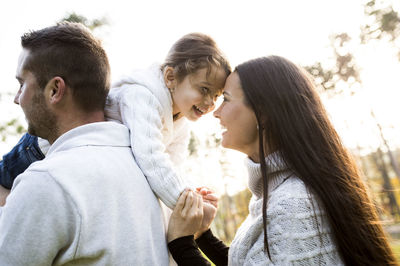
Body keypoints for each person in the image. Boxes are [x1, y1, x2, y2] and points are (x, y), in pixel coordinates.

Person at [166, 56, 397, 265]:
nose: (216, 112)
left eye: (225, 99)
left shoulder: (294, 204)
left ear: (263, 111)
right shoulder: (279, 195)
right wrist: (204, 236)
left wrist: (181, 244)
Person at [0, 22, 169, 265]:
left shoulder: (47, 180)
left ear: (55, 90)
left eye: (22, 84)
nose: (17, 99)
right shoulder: (143, 169)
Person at [0, 32, 230, 210]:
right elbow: (150, 158)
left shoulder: (180, 120)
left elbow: (173, 164)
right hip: (41, 147)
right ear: (171, 77)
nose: (211, 103)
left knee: (24, 201)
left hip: (79, 159)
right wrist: (184, 202)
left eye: (218, 95)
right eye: (204, 89)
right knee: (5, 181)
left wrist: (190, 192)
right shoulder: (142, 97)